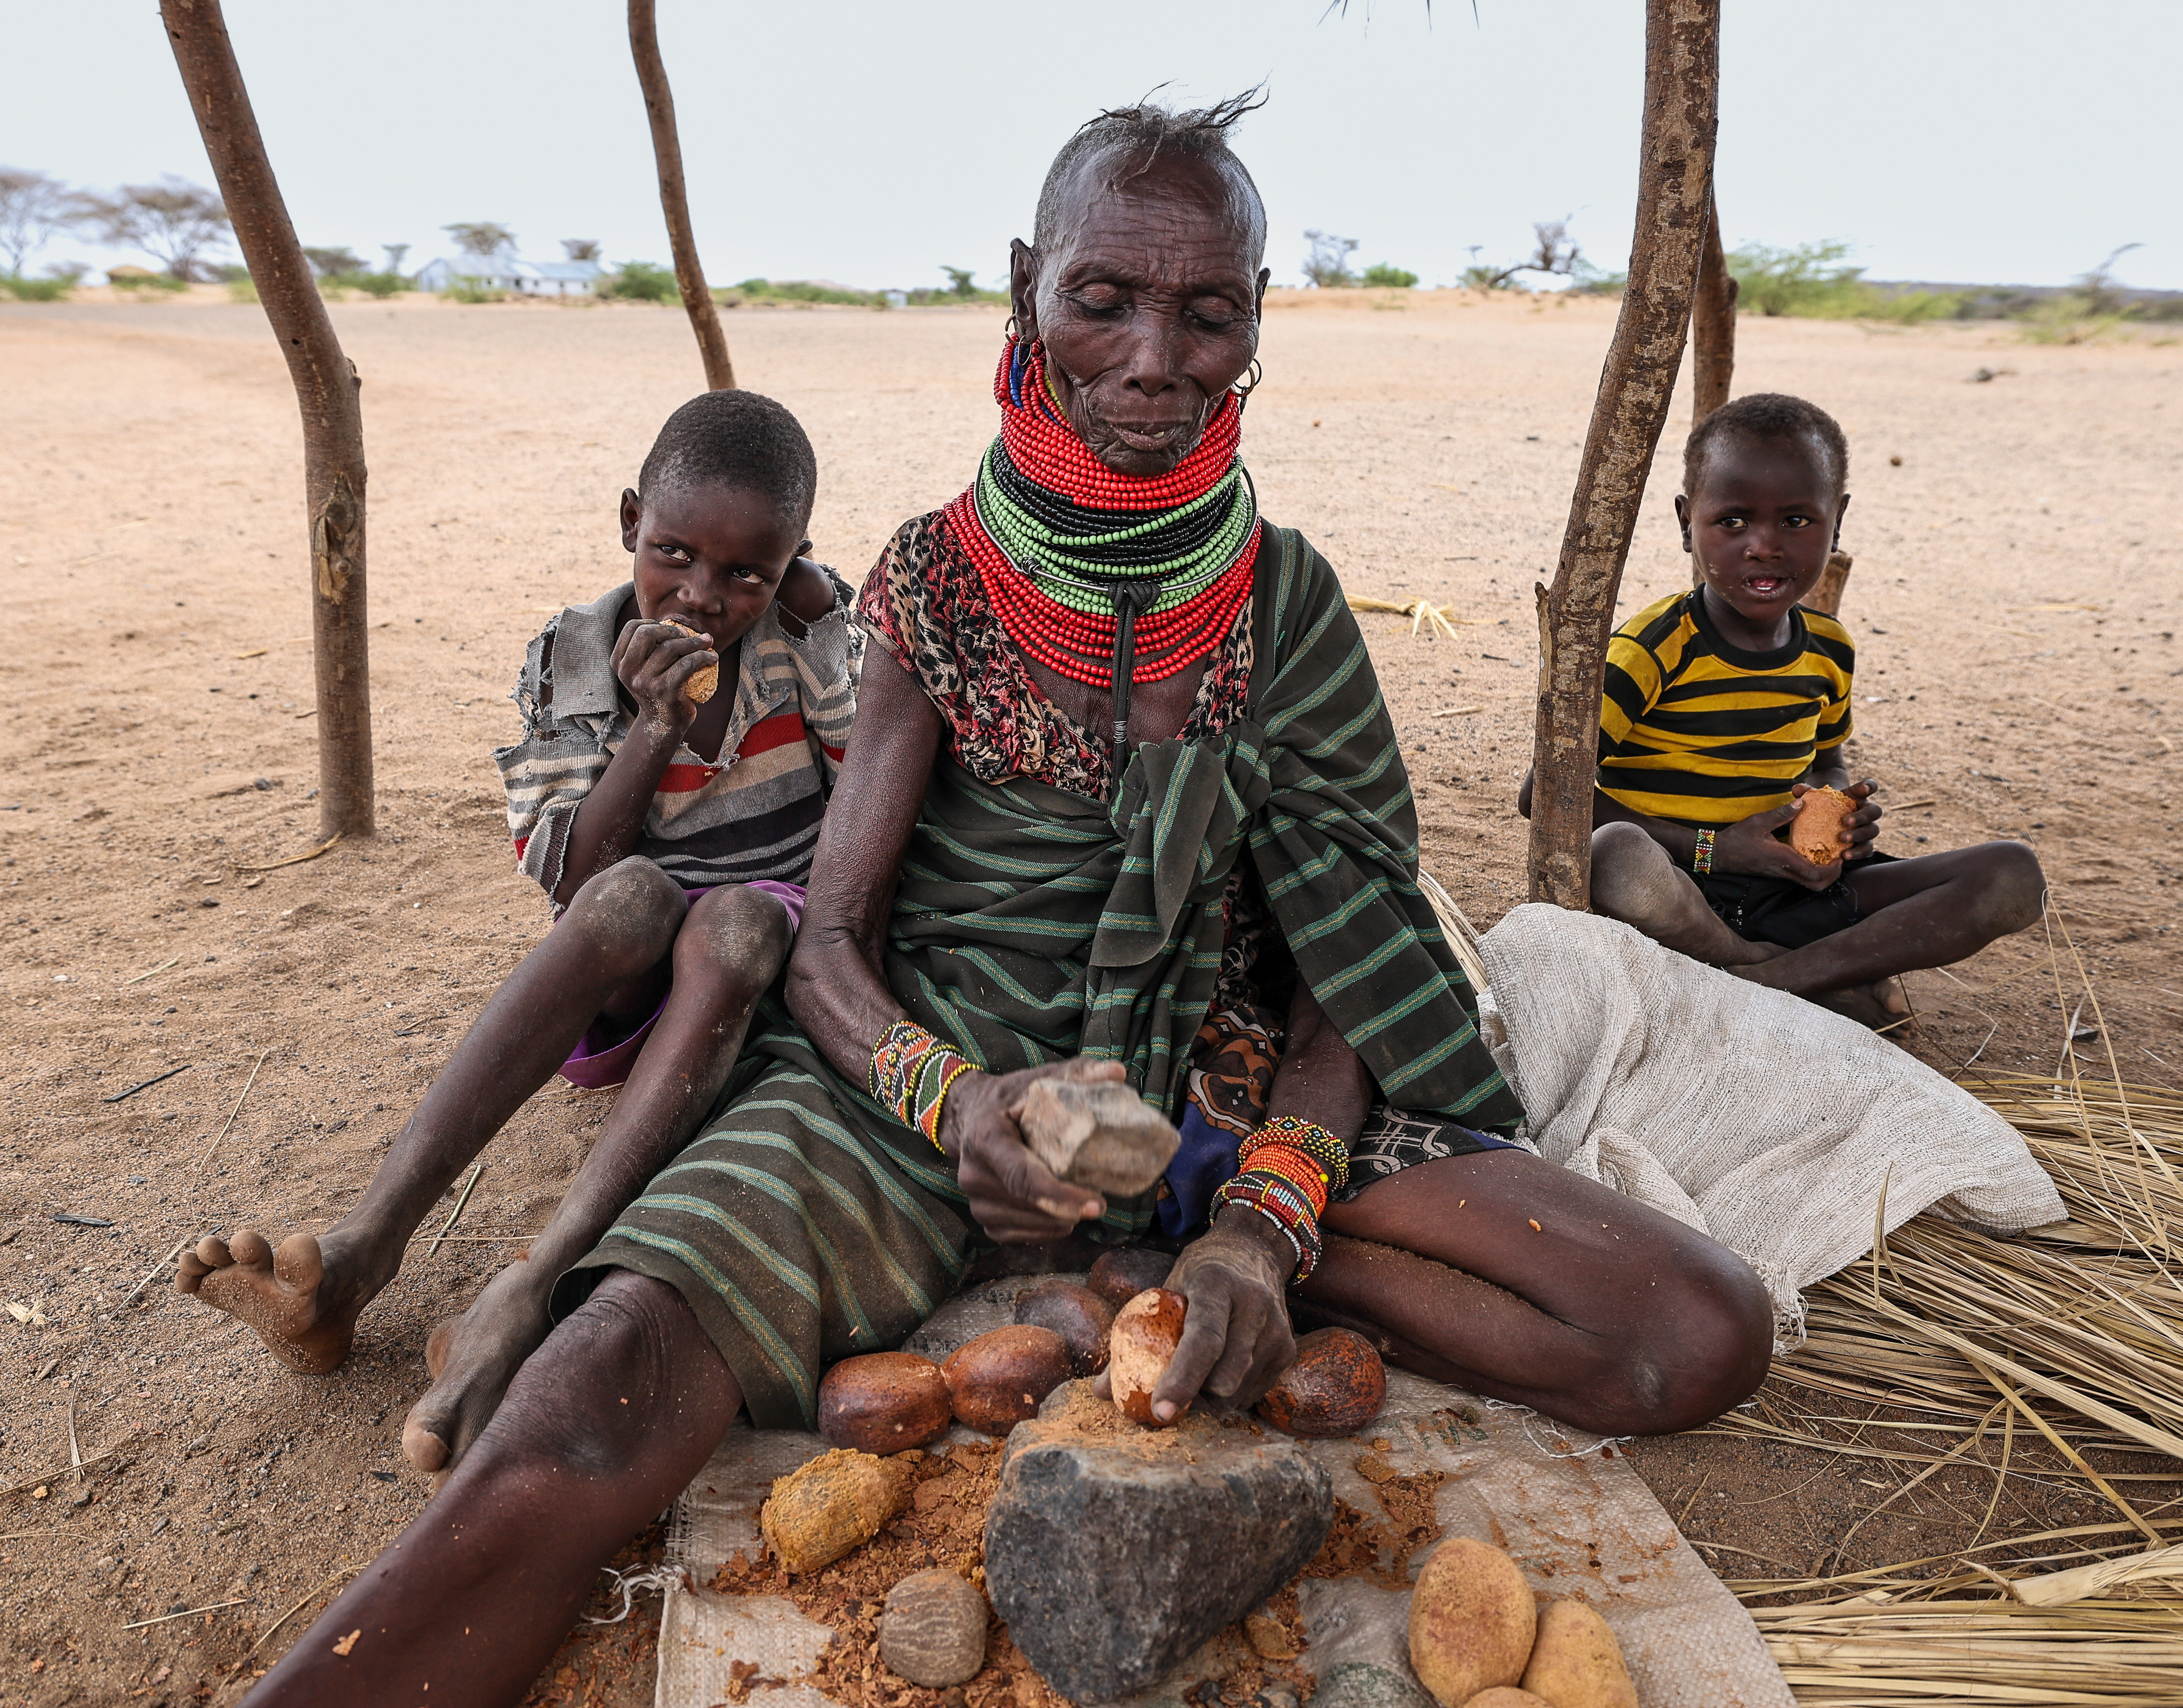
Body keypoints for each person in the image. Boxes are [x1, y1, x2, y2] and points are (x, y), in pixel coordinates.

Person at [231, 98, 1772, 1706]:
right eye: (1103, 296)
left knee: (1685, 1331)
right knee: (591, 1393)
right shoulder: (938, 581)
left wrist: (1260, 1215)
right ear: (1027, 287)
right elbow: (825, 942)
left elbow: (1350, 955)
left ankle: (1176, 1260)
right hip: (927, 1073)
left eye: (1208, 310)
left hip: (1210, 1081)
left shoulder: (1290, 605)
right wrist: (952, 1102)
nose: (1155, 353)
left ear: (1255, 326)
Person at [175, 389, 855, 1473]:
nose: (704, 593)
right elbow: (574, 876)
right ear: (630, 519)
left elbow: (859, 790)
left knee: (730, 920)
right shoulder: (575, 658)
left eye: (747, 574)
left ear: (789, 566)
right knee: (631, 896)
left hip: (773, 976)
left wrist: (818, 615)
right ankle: (360, 1252)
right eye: (675, 554)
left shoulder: (807, 639)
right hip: (640, 995)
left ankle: (532, 1279)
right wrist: (654, 728)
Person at [1523, 392, 2042, 1024]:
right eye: (1734, 522)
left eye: (1796, 521)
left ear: (1838, 519)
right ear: (1688, 520)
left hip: (1793, 887)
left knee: (2013, 876)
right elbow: (1545, 794)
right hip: (1684, 891)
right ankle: (1809, 982)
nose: (1764, 546)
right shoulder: (1654, 648)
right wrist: (1717, 850)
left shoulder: (1827, 648)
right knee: (1617, 856)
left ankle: (1770, 982)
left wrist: (1830, 821)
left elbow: (1827, 760)